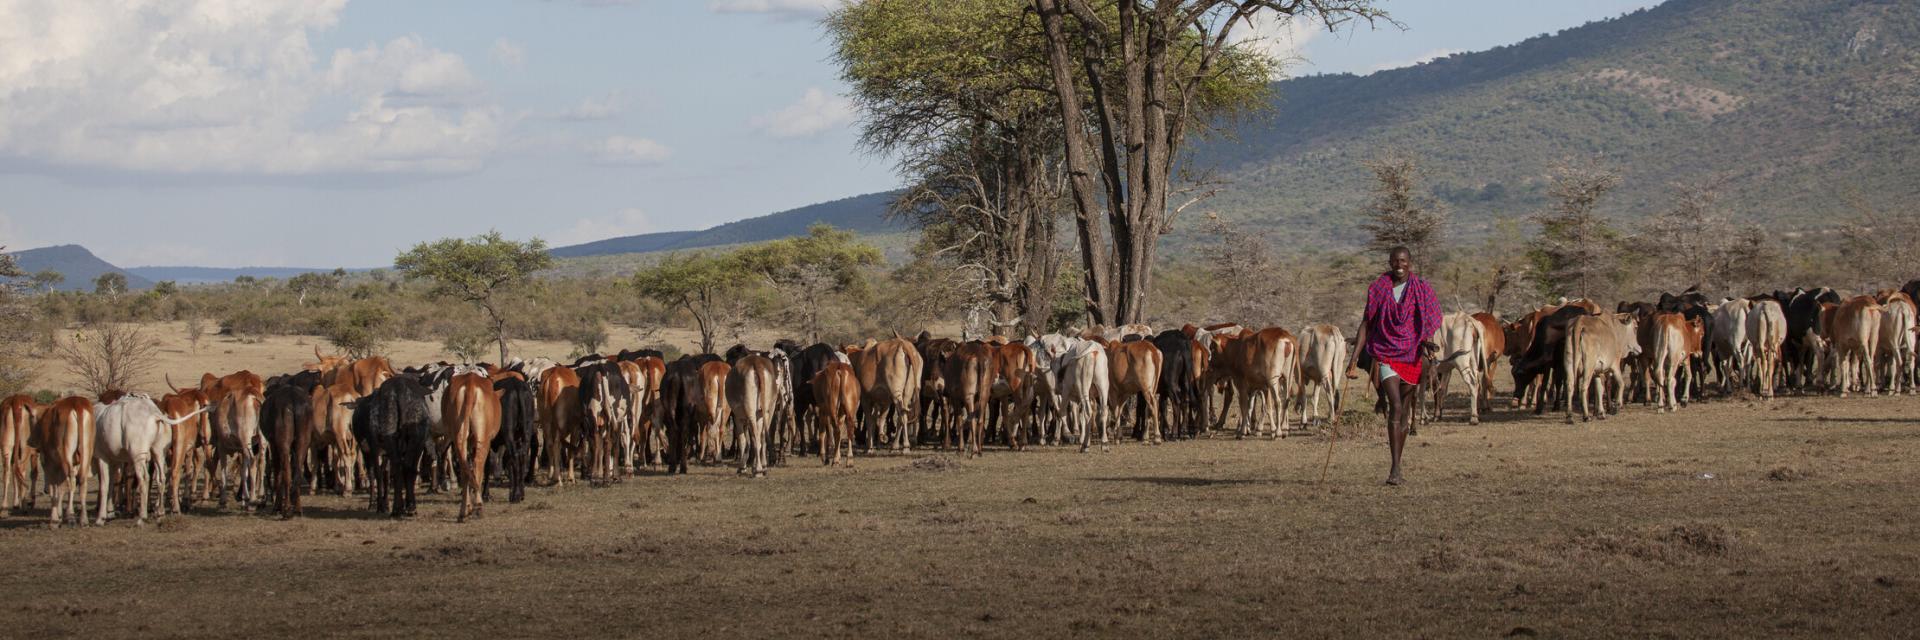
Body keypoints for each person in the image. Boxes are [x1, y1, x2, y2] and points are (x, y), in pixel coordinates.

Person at [1345, 246, 1441, 485]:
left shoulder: (1421, 288)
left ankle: (1397, 463)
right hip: (1385, 353)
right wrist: (1354, 359)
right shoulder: (1378, 288)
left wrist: (1427, 339)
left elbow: (1431, 316)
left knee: (1405, 411)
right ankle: (1395, 469)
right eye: (1395, 261)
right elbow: (1367, 323)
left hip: (1411, 355)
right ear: (1389, 262)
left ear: (1409, 263)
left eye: (1403, 261)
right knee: (1395, 406)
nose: (1399, 265)